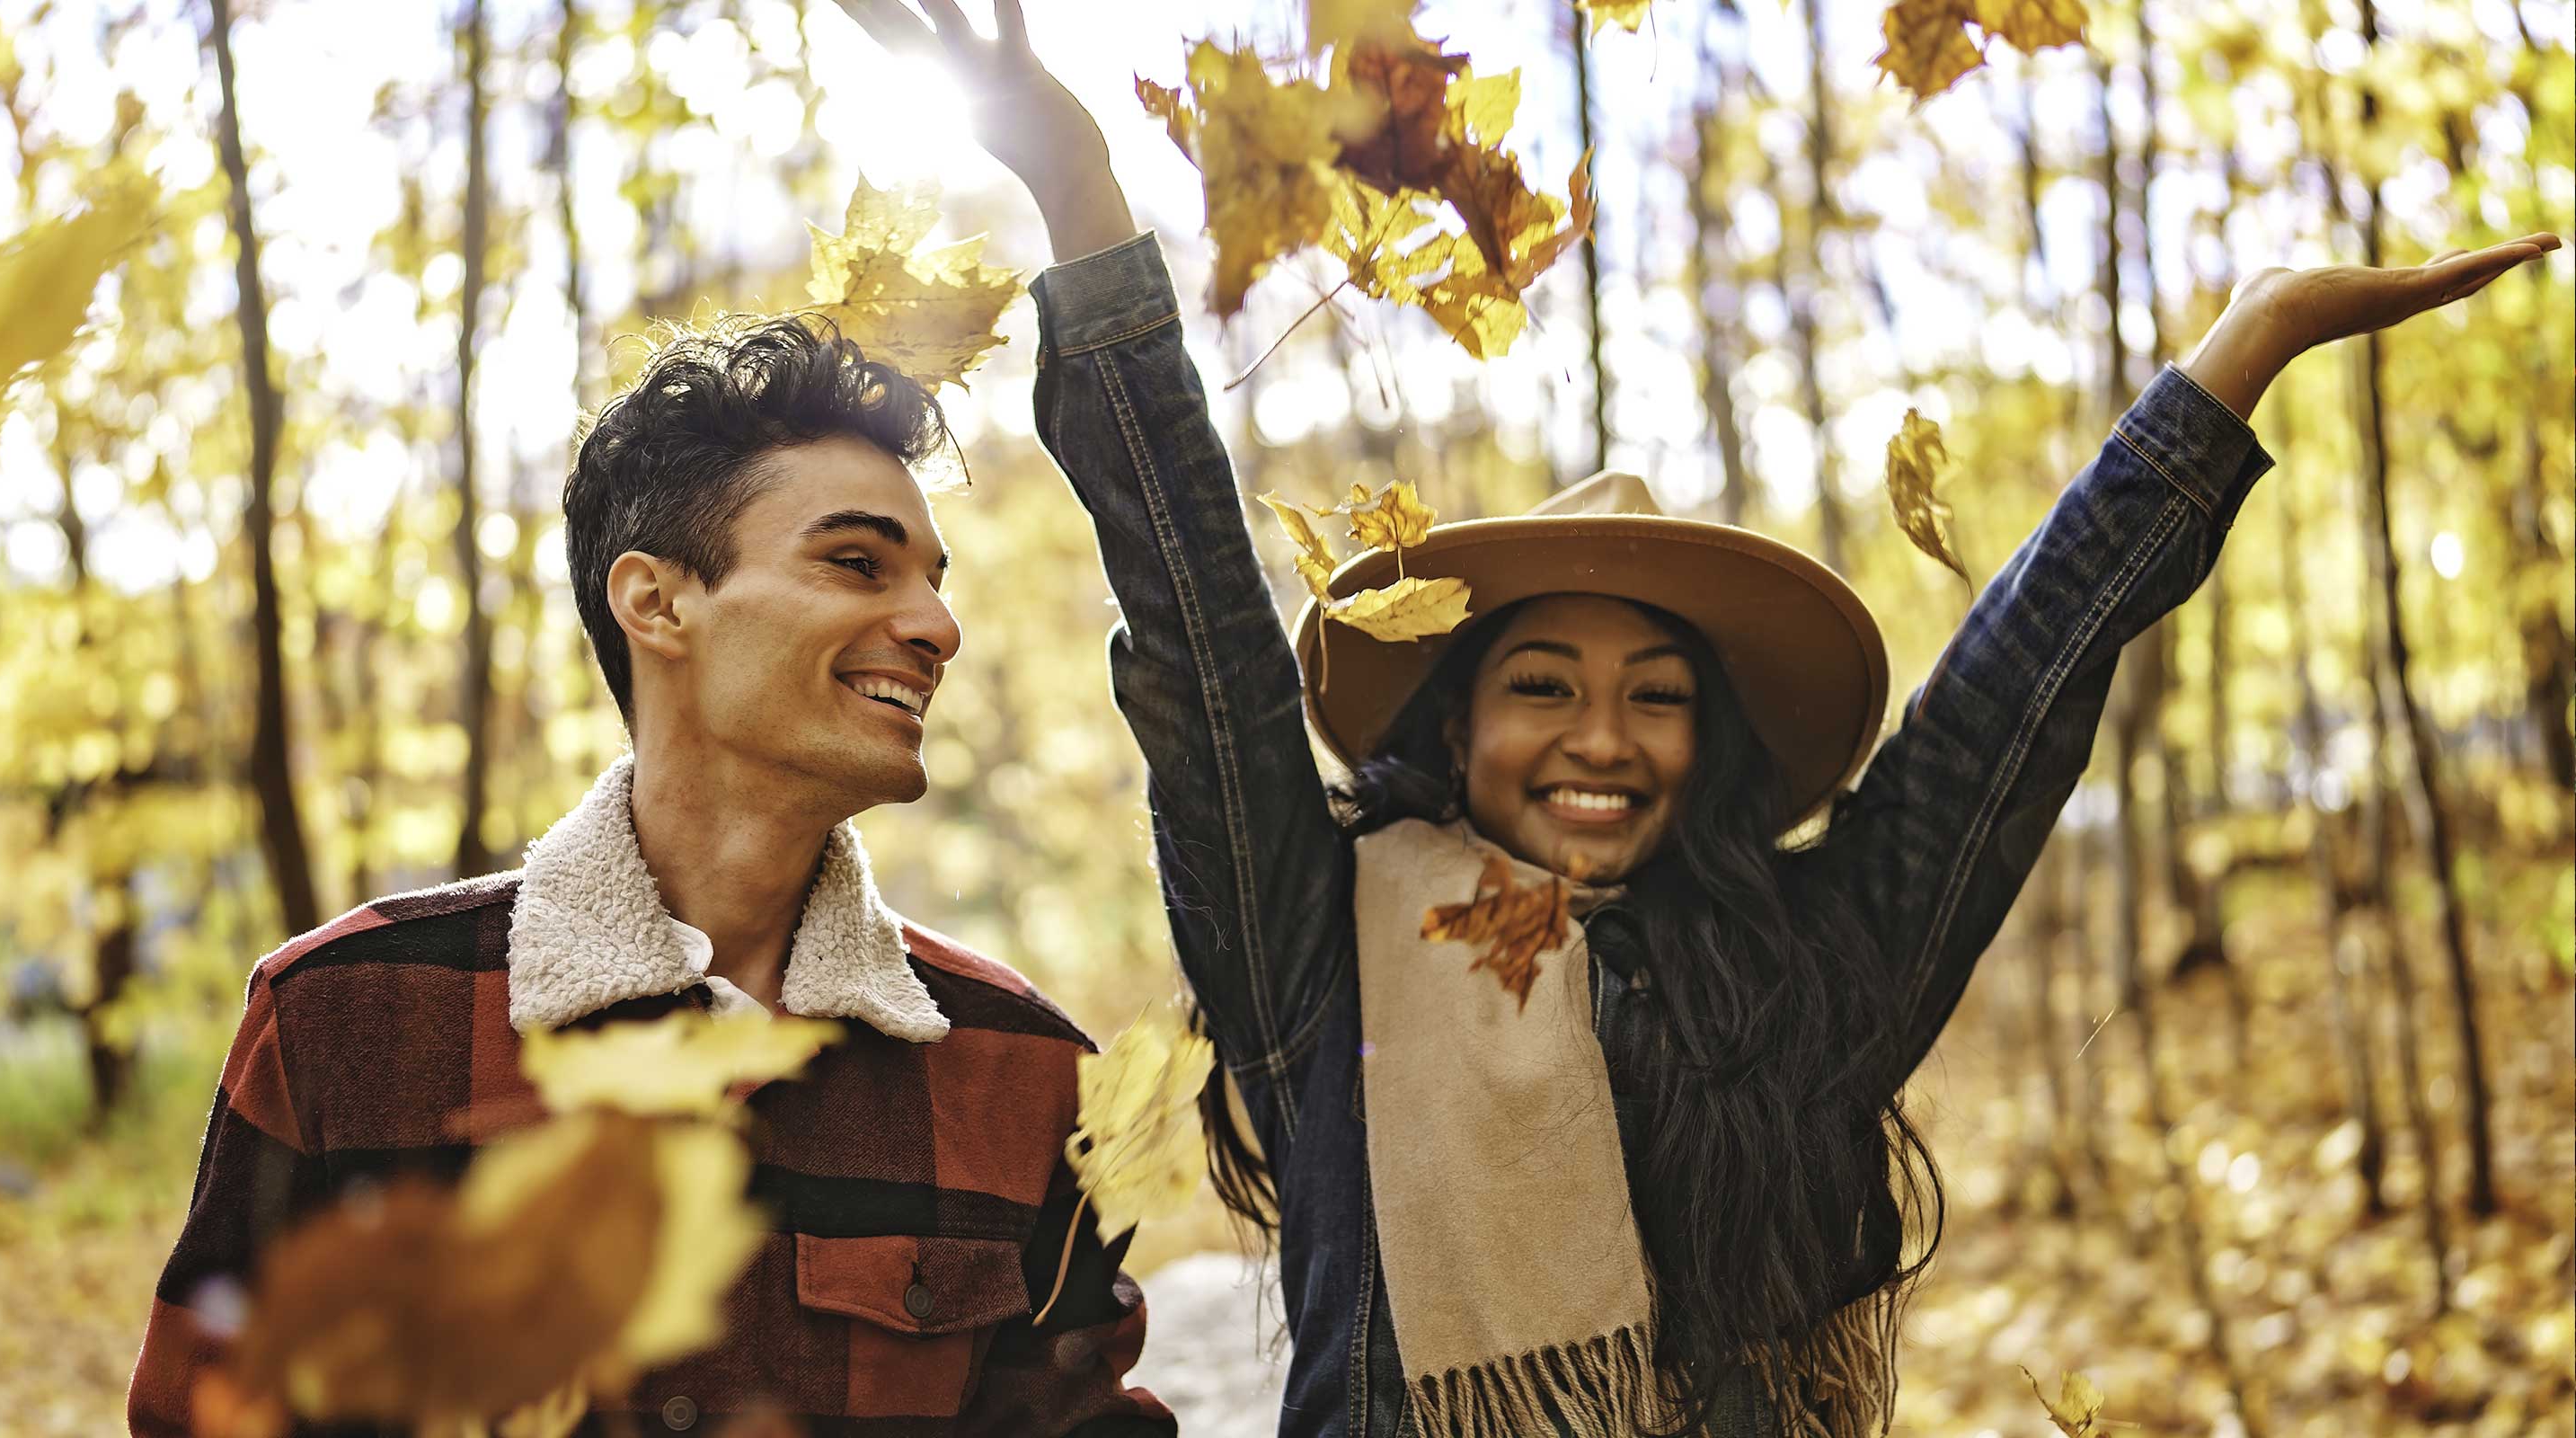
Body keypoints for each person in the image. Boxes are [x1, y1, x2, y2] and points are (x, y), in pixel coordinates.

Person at [850, 3, 2564, 1434]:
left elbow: (2007, 708)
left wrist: (2237, 357)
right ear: (1453, 727)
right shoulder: (1320, 952)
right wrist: (1080, 199)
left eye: (1657, 695)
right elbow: (1199, 643)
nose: (1604, 735)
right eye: (1543, 686)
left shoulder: (1810, 969)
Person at [128, 314, 1175, 1435]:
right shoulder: (350, 1020)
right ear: (658, 602)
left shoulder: (1023, 1073)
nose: (936, 626)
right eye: (857, 563)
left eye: (932, 580)